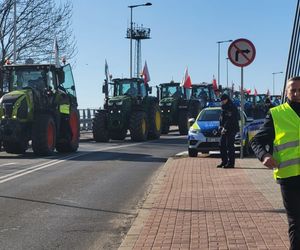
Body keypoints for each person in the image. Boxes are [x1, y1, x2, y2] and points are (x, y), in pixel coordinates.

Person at [250, 76, 300, 250]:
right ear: (286, 91)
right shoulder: (276, 113)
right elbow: (256, 141)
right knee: (296, 222)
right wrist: (264, 155)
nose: (297, 93)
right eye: (293, 89)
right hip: (289, 177)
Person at [217, 94, 239, 168]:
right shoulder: (223, 107)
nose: (222, 102)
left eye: (223, 100)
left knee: (230, 146)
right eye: (221, 101)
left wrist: (225, 128)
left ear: (226, 99)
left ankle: (231, 163)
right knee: (221, 145)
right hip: (224, 129)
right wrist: (220, 126)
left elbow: (230, 119)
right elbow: (221, 118)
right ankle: (224, 161)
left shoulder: (231, 107)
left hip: (231, 128)